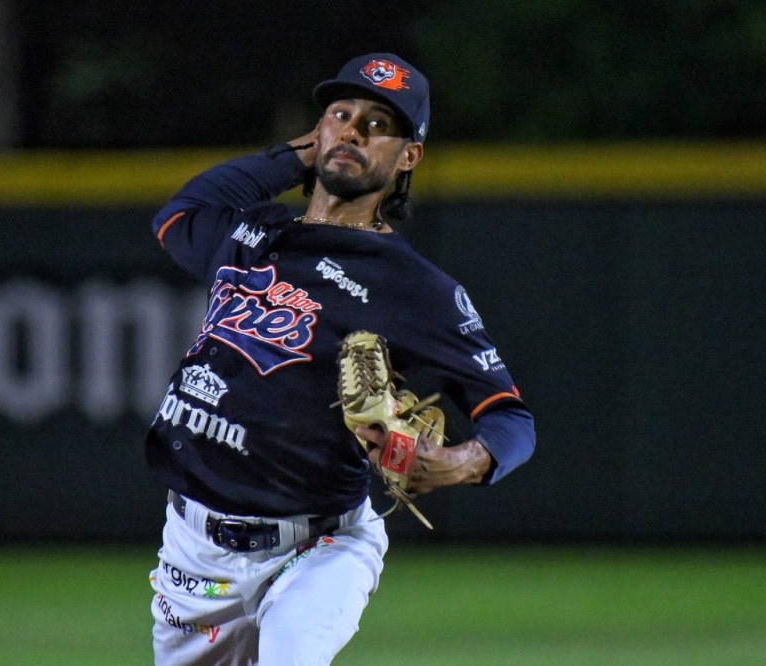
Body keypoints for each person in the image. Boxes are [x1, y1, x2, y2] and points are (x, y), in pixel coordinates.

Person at [146, 53, 535, 665]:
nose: (354, 129)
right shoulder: (255, 232)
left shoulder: (415, 288)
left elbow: (512, 419)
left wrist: (463, 460)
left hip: (318, 545)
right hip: (193, 554)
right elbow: (178, 216)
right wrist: (304, 151)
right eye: (341, 113)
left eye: (380, 124)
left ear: (410, 157)